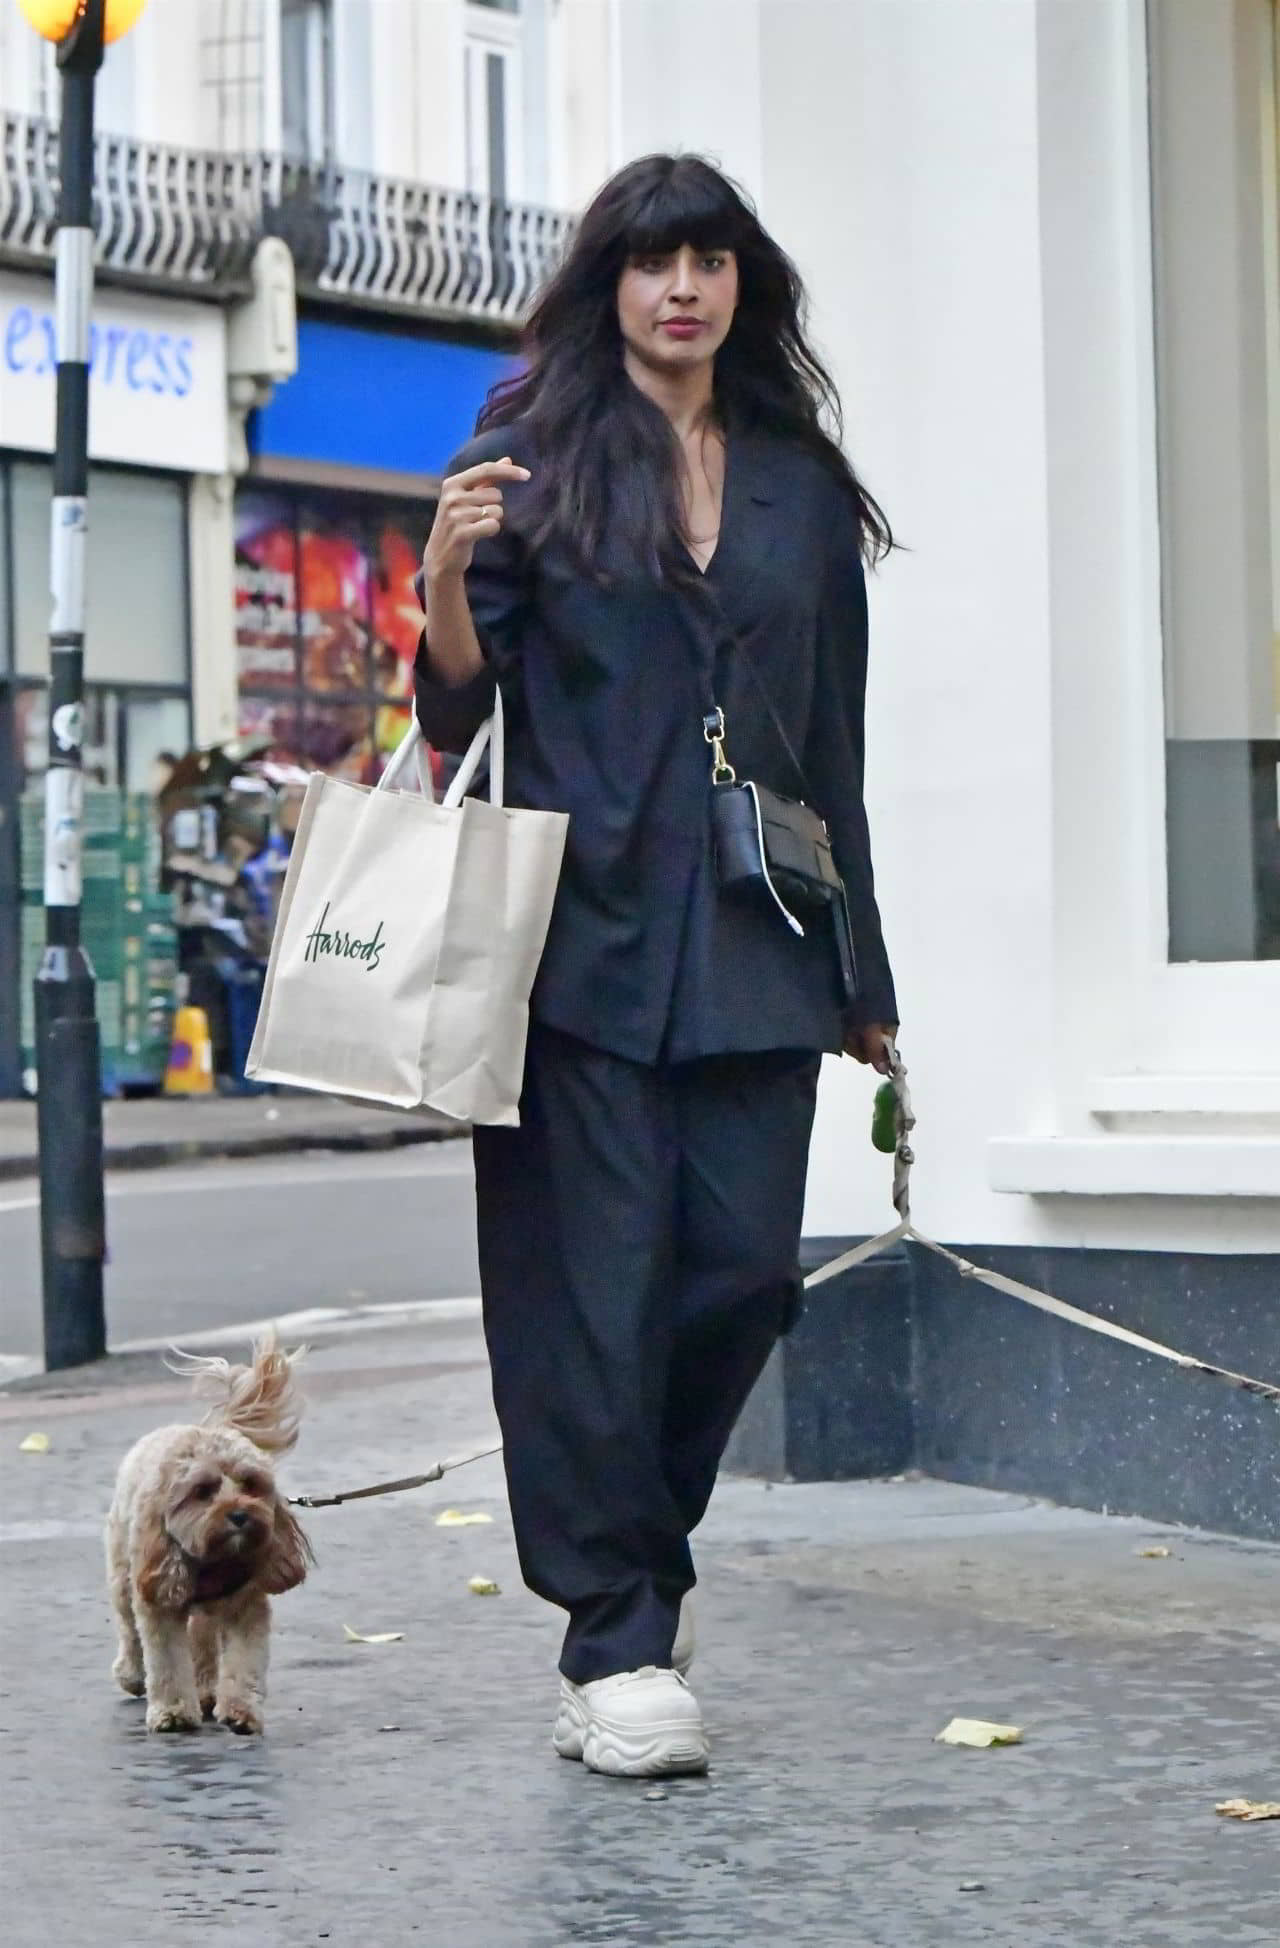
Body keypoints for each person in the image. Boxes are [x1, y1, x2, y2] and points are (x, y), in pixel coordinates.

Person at [415, 153, 898, 1779]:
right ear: (606, 284)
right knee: (588, 1304)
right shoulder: (529, 459)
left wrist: (867, 974)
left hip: (762, 938)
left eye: (707, 260)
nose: (680, 287)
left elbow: (832, 741)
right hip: (578, 947)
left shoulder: (797, 487)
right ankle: (613, 1638)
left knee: (742, 1281)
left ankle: (643, 1557)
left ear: (740, 283)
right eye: (650, 262)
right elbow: (460, 717)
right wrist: (440, 581)